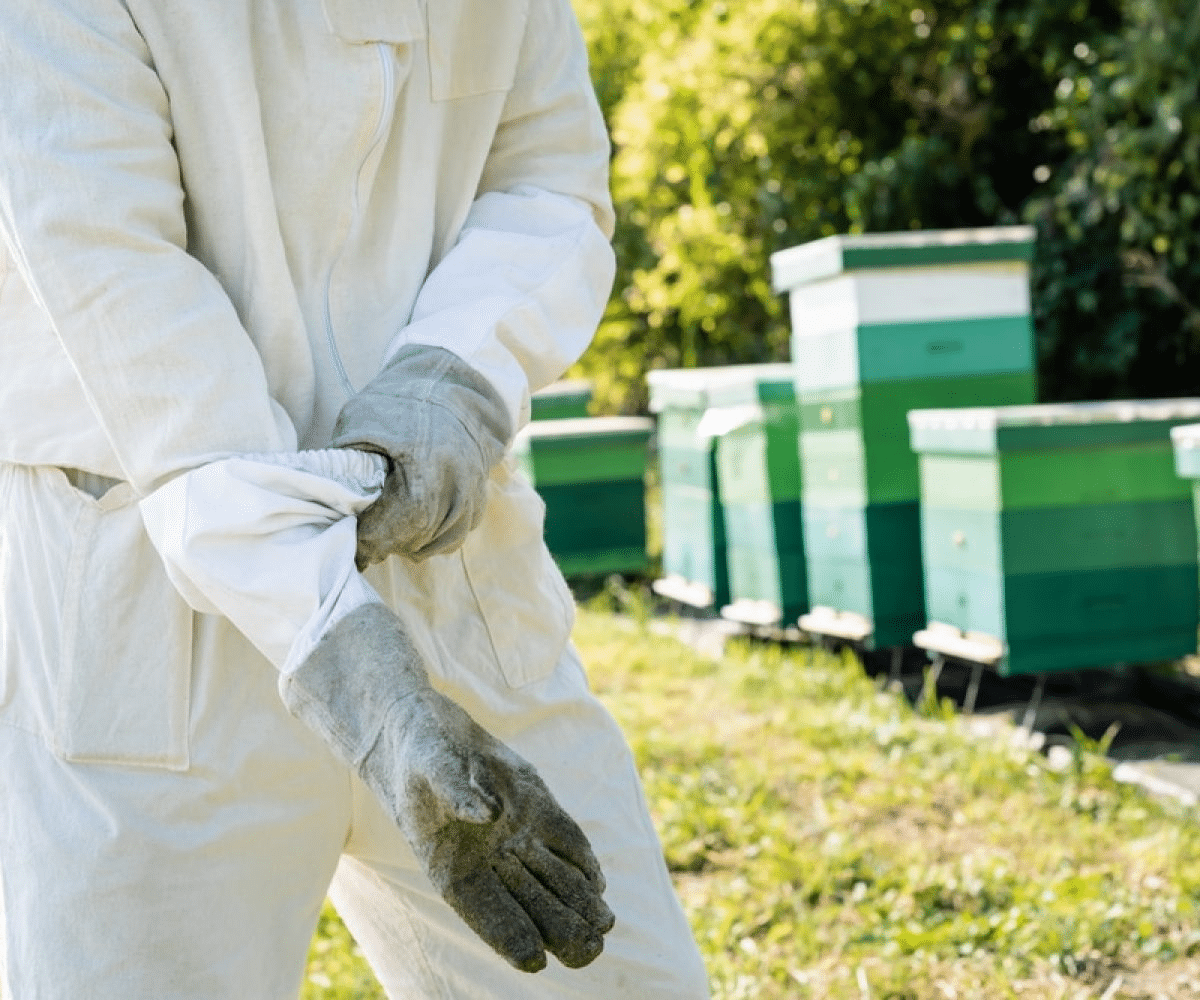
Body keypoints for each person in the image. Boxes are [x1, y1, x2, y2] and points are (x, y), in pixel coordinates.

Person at [0, 0, 711, 997]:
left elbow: (548, 170)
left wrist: (454, 373)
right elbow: (127, 300)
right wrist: (358, 674)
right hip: (156, 629)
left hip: (447, 556)